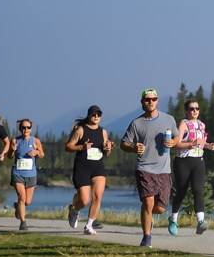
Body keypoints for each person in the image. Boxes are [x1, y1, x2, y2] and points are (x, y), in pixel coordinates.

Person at [120, 89, 181, 248]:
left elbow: (177, 136)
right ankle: (146, 237)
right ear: (142, 102)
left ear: (157, 101)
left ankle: (147, 217)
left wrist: (173, 143)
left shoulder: (169, 119)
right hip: (144, 168)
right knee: (147, 203)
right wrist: (133, 148)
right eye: (147, 99)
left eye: (153, 99)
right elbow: (124, 143)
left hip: (164, 170)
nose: (150, 102)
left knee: (160, 208)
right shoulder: (136, 123)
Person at [169, 98, 214, 235]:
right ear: (186, 111)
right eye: (191, 108)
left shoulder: (202, 125)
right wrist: (191, 144)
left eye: (197, 108)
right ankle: (173, 220)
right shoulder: (183, 124)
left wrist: (208, 146)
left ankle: (201, 222)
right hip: (183, 161)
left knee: (198, 190)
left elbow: (201, 142)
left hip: (198, 161)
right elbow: (176, 144)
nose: (195, 111)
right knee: (181, 192)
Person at [65, 105, 114, 236]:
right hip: (82, 167)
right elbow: (68, 146)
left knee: (97, 196)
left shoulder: (103, 132)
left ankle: (89, 225)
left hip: (97, 167)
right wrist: (82, 146)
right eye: (94, 114)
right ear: (89, 115)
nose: (96, 116)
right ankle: (74, 210)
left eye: (99, 114)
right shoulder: (81, 130)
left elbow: (106, 153)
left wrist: (108, 148)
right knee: (85, 200)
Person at [7, 118, 45, 231]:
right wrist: (12, 150)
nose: (26, 129)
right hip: (17, 173)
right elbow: (9, 156)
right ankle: (23, 222)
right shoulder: (15, 140)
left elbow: (42, 154)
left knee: (27, 202)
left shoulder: (35, 141)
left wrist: (37, 152)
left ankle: (17, 206)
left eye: (28, 127)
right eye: (24, 127)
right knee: (22, 197)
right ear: (20, 129)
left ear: (31, 129)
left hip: (31, 174)